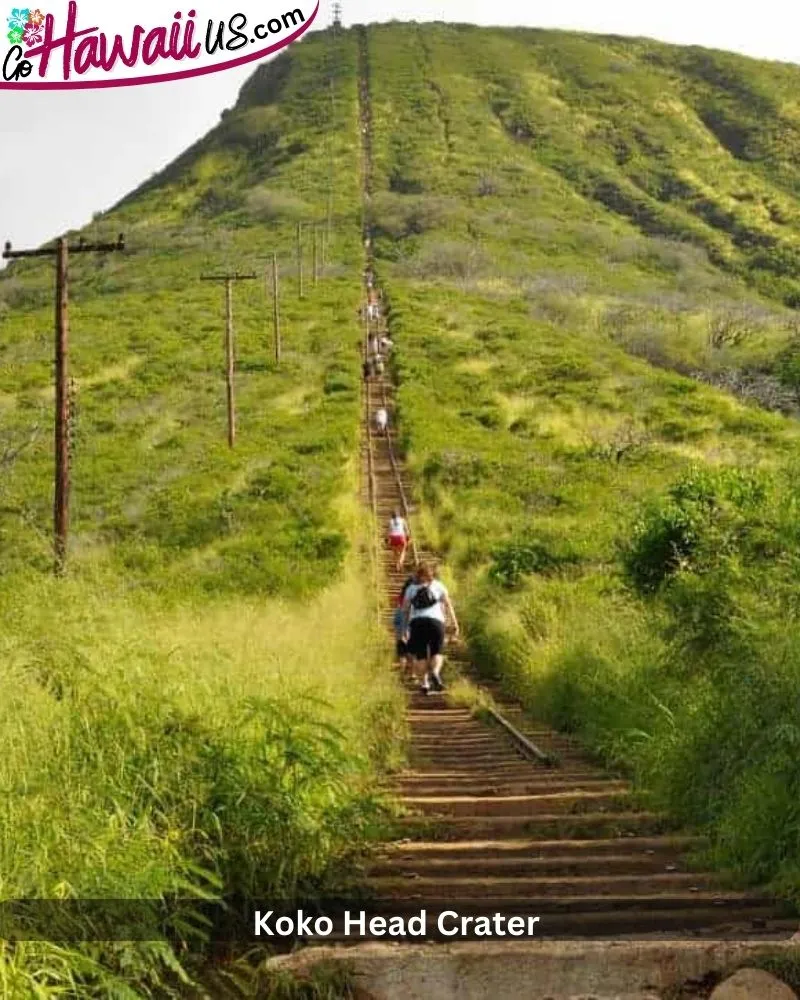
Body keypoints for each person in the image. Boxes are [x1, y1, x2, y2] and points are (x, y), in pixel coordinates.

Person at [403, 562, 459, 695]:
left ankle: (424, 683)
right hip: (436, 622)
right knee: (437, 652)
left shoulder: (411, 588)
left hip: (417, 623)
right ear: (432, 574)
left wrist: (405, 627)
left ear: (418, 574)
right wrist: (455, 623)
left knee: (420, 655)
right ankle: (435, 672)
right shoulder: (439, 586)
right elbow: (448, 605)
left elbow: (405, 610)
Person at [392, 572, 417, 677]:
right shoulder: (415, 598)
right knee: (412, 652)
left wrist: (398, 632)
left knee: (402, 652)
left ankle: (402, 674)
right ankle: (412, 674)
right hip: (411, 629)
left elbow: (396, 620)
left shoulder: (401, 599)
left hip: (401, 628)